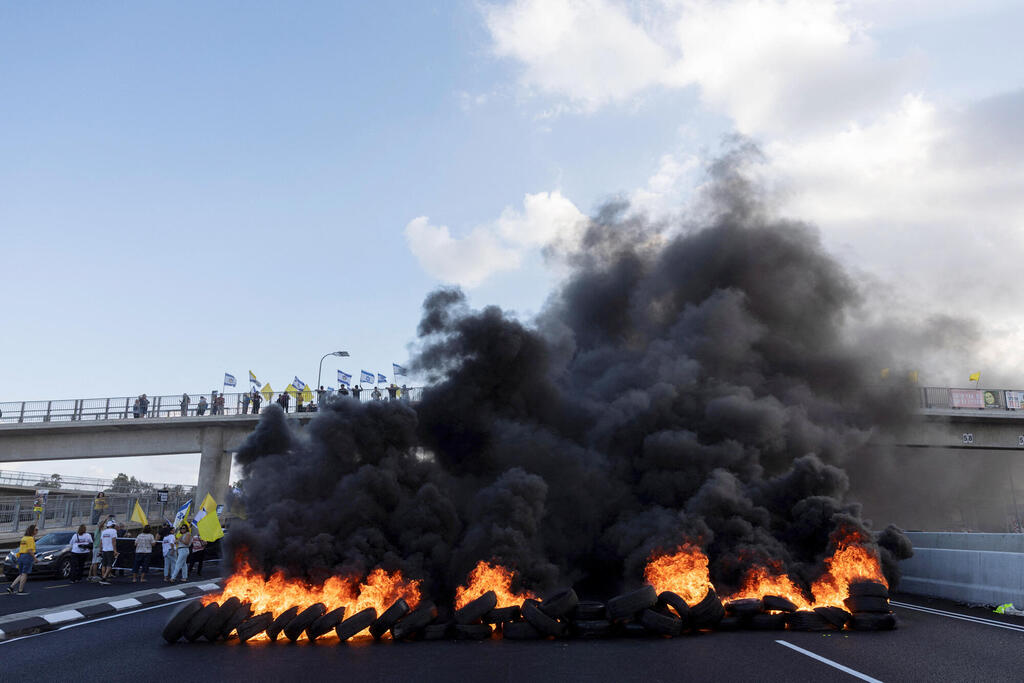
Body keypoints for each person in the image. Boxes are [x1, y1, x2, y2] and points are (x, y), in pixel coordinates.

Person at [8, 524, 37, 595]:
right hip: (27, 557)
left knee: (21, 574)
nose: (37, 531)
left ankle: (11, 587)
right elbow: (30, 550)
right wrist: (35, 558)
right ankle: (20, 590)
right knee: (24, 574)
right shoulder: (30, 539)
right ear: (32, 531)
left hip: (21, 556)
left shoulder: (24, 538)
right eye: (36, 530)